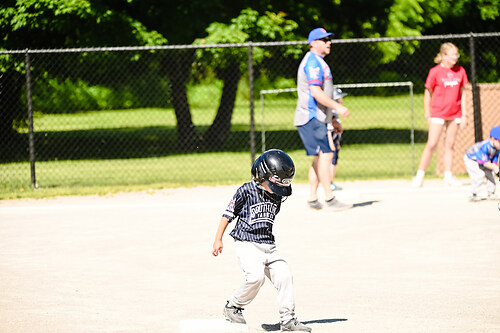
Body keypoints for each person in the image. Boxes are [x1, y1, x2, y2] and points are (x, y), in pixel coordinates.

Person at [212, 149, 312, 332]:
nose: (278, 192)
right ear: (260, 176)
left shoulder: (278, 195)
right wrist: (218, 239)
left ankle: (288, 319)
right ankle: (233, 306)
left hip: (268, 244)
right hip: (246, 242)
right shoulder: (245, 191)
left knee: (284, 275)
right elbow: (227, 215)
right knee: (255, 278)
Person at [294, 27, 352, 210]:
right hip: (312, 117)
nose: (329, 42)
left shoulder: (319, 62)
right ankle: (329, 198)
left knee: (320, 157)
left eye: (329, 39)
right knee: (326, 154)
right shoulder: (312, 62)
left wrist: (332, 118)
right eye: (324, 39)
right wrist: (338, 107)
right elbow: (316, 93)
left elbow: (322, 93)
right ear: (313, 43)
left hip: (320, 117)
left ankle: (313, 198)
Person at [412, 42, 469, 187]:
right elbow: (427, 93)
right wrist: (427, 114)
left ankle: (448, 175)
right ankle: (420, 176)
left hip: (455, 113)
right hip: (438, 112)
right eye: (452, 54)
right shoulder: (435, 72)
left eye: (457, 54)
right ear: (443, 56)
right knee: (431, 144)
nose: (455, 57)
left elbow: (463, 94)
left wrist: (464, 115)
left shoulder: (460, 71)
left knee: (450, 144)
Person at [463, 126, 500, 202]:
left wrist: (496, 169)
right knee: (479, 174)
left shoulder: (497, 149)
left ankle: (491, 193)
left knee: (491, 173)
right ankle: (473, 194)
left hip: (483, 161)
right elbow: (486, 164)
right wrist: (495, 168)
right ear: (493, 139)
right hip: (471, 159)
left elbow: (493, 163)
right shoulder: (485, 146)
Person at [326, 87, 348, 191]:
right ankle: (329, 182)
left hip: (335, 140)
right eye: (338, 100)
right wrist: (330, 142)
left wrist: (337, 142)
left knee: (334, 160)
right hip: (331, 141)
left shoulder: (334, 113)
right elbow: (328, 129)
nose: (341, 101)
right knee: (331, 161)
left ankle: (331, 181)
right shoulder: (330, 114)